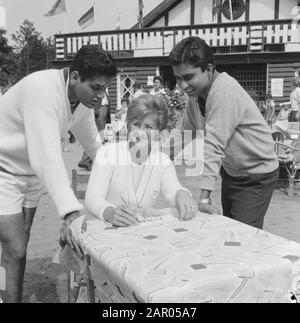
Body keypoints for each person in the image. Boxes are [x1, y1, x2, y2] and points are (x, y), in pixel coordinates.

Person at [0, 44, 117, 302]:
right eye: (96, 87)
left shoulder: (82, 100)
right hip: (4, 170)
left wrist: (121, 172)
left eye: (105, 88)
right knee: (15, 248)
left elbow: (94, 145)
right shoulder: (42, 90)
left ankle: (3, 288)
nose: (101, 95)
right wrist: (70, 210)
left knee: (21, 240)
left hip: (30, 173)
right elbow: (47, 157)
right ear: (75, 77)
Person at [168, 36, 279, 229]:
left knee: (243, 234)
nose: (183, 86)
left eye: (188, 77)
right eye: (178, 78)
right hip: (232, 171)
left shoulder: (223, 89)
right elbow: (183, 133)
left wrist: (203, 199)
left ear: (209, 69)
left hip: (256, 173)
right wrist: (152, 158)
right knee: (230, 229)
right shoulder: (196, 96)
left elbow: (213, 145)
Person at [85, 94, 198, 226]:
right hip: (104, 228)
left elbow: (173, 190)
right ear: (128, 126)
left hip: (137, 232)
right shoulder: (107, 153)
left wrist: (181, 193)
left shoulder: (162, 160)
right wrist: (109, 212)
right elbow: (92, 198)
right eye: (136, 124)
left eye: (148, 127)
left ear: (159, 132)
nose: (141, 132)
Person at [78, 92, 111, 171]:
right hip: (99, 110)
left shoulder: (103, 88)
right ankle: (86, 161)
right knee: (97, 138)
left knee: (98, 138)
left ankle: (87, 161)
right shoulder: (97, 87)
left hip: (102, 110)